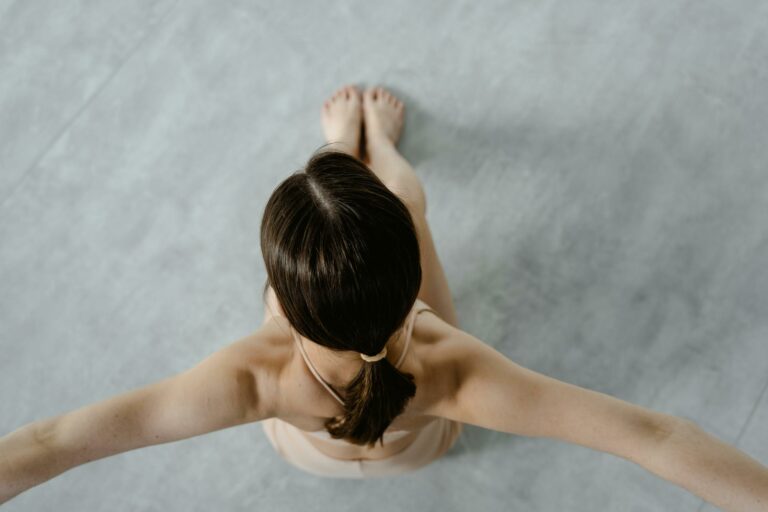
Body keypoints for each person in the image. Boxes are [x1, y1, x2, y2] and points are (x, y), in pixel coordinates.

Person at [1, 85, 767, 510]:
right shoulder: (458, 372)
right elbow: (654, 438)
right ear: (410, 289)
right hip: (420, 446)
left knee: (321, 256)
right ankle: (390, 169)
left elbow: (51, 444)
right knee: (411, 207)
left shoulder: (252, 374)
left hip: (309, 456)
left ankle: (341, 148)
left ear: (289, 309)